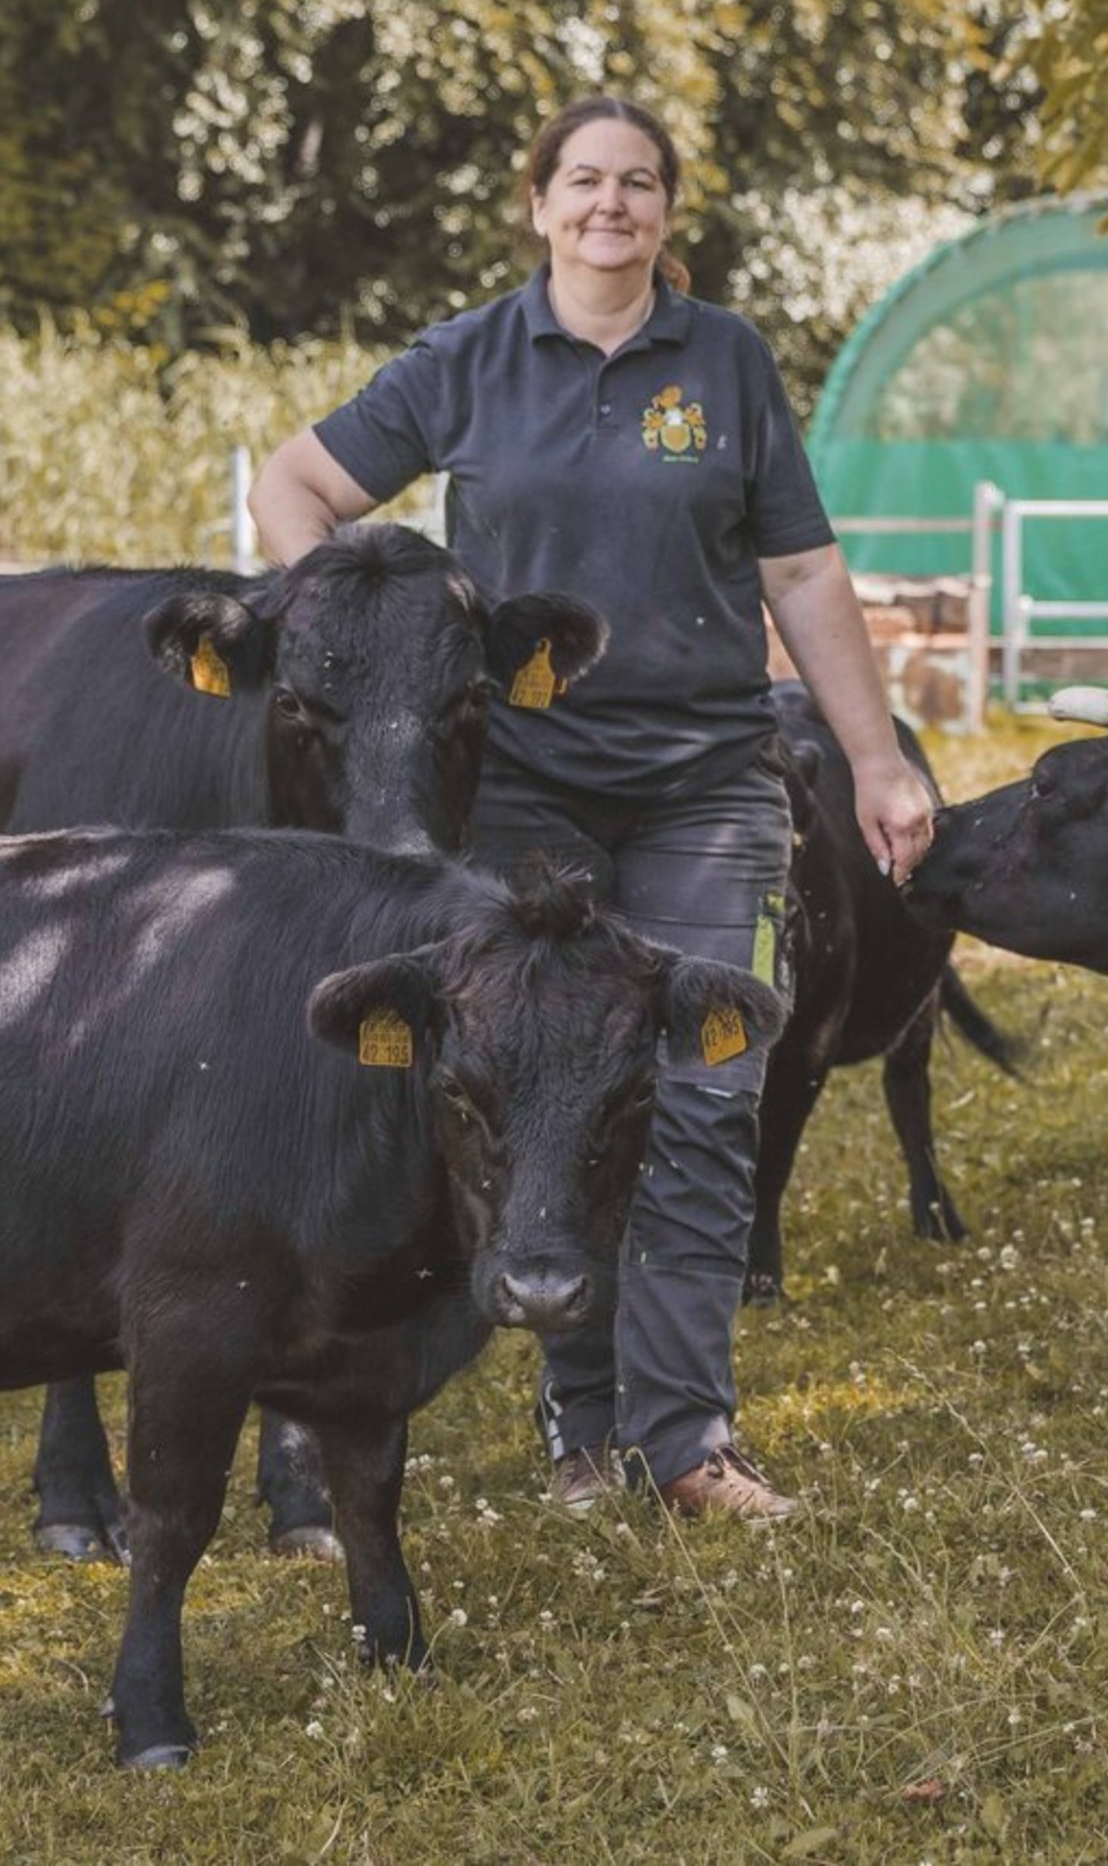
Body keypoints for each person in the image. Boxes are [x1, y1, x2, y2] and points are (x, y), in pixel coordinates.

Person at [250, 93, 935, 1523]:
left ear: (667, 212)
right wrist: (359, 644)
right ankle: (580, 1426)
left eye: (637, 183)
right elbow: (297, 484)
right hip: (523, 797)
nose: (609, 204)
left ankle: (687, 1445)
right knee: (543, 1102)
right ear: (539, 203)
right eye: (583, 181)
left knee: (705, 1092)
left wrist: (876, 758)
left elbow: (802, 574)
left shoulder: (728, 362)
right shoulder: (472, 359)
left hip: (708, 784)